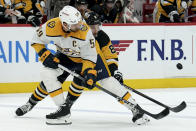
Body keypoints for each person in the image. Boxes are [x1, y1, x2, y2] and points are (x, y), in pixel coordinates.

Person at [16, 6, 149, 125]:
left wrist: (89, 72)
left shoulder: (85, 32)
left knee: (108, 82)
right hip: (66, 56)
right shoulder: (50, 27)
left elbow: (90, 56)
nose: (79, 26)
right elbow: (35, 40)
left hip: (88, 58)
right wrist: (44, 53)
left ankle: (136, 109)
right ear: (64, 24)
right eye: (74, 25)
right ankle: (63, 111)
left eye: (79, 22)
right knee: (47, 74)